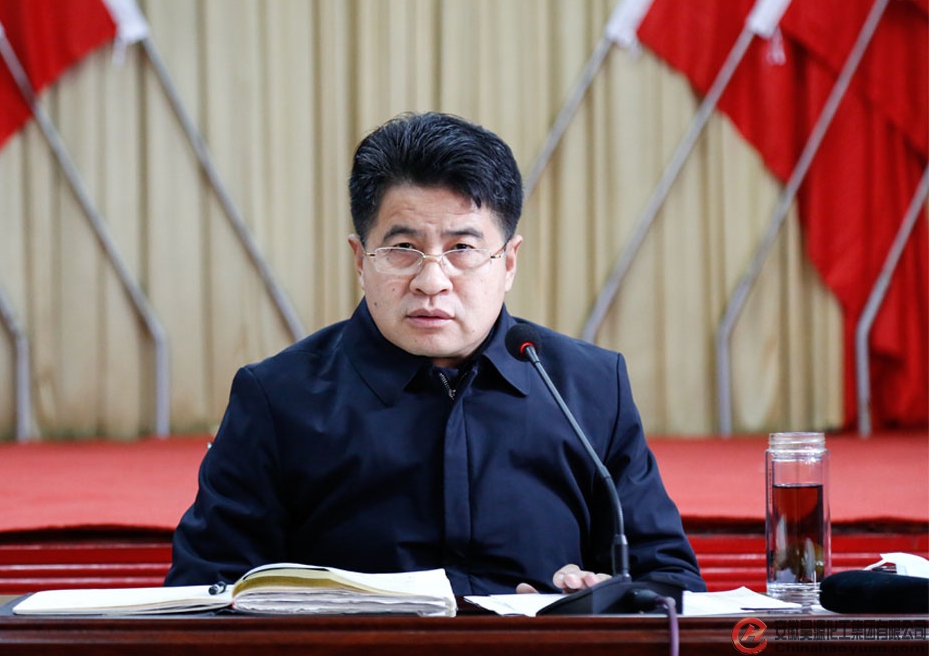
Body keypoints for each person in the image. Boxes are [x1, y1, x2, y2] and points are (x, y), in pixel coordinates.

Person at [165, 111, 705, 597]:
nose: (431, 281)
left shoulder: (589, 387)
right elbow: (204, 588)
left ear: (508, 262)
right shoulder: (278, 397)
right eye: (403, 248)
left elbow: (670, 579)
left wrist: (604, 600)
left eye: (462, 249)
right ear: (360, 259)